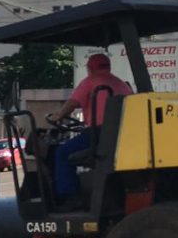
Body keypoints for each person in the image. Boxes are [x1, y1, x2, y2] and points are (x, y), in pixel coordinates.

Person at [50, 53, 133, 206]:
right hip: (120, 135)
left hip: (99, 134)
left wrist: (58, 116)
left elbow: (72, 103)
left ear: (90, 68)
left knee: (62, 153)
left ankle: (69, 197)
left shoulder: (91, 81)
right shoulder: (122, 85)